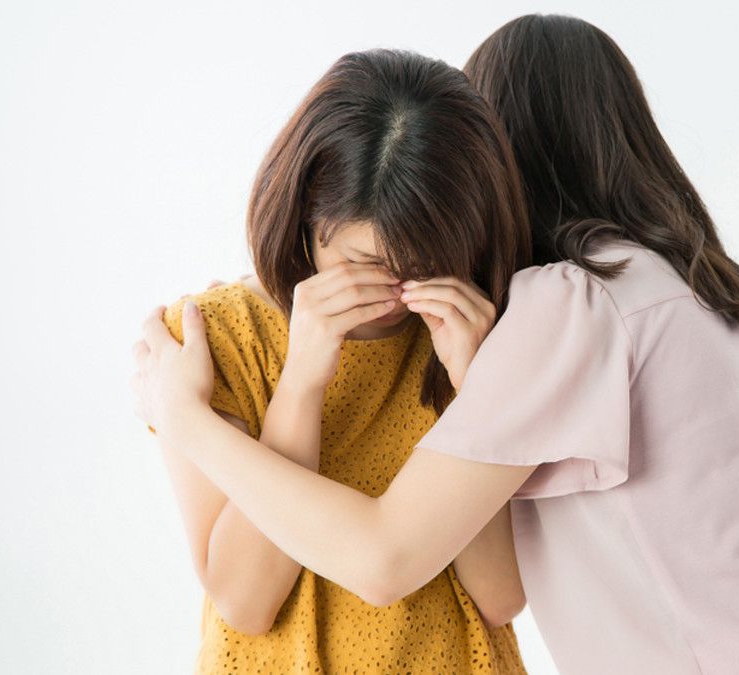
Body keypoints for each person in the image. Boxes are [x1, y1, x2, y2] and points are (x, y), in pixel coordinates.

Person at [133, 15, 739, 675]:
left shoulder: (563, 304)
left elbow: (402, 563)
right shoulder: (715, 293)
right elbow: (249, 597)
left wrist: (186, 419)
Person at [142, 48, 531, 673]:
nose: (396, 293)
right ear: (304, 216)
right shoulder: (214, 338)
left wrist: (475, 391)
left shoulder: (474, 333)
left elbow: (500, 596)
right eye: (363, 263)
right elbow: (246, 602)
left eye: (424, 264)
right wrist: (301, 381)